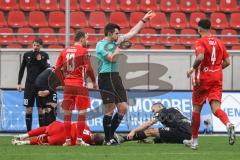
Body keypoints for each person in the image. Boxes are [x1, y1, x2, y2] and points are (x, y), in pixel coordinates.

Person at [95, 10, 155, 145]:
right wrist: (118, 48)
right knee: (110, 108)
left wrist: (143, 20)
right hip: (105, 77)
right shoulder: (100, 45)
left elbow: (133, 32)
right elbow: (111, 59)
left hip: (115, 77)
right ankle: (108, 138)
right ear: (110, 33)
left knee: (123, 108)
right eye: (116, 33)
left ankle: (110, 136)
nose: (119, 35)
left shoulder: (117, 40)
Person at [185, 19, 235, 150]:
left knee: (196, 110)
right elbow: (228, 61)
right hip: (217, 78)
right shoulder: (219, 42)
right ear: (210, 28)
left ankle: (194, 142)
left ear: (199, 29)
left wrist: (192, 68)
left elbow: (200, 57)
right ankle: (228, 124)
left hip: (203, 79)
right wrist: (216, 69)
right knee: (216, 108)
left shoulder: (200, 41)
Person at [55, 30, 97, 146]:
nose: (87, 41)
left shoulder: (64, 51)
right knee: (82, 112)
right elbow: (89, 69)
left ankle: (68, 140)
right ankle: (79, 140)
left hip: (68, 85)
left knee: (67, 113)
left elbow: (57, 69)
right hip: (79, 84)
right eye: (86, 38)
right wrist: (94, 81)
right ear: (82, 39)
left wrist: (63, 82)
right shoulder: (83, 51)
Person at [17, 38, 50, 131]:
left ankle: (41, 133)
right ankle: (29, 133)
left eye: (38, 45)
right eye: (34, 45)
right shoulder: (27, 55)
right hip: (29, 86)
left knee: (41, 109)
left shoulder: (45, 55)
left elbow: (48, 69)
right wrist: (19, 83)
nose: (36, 47)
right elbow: (22, 69)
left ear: (41, 46)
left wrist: (40, 60)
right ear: (32, 45)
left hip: (40, 87)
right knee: (29, 109)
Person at [121, 103, 191, 144]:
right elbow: (169, 131)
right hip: (187, 134)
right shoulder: (171, 111)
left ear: (160, 107)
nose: (153, 113)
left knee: (150, 131)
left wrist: (133, 131)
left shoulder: (163, 111)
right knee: (162, 132)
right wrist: (154, 140)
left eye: (153, 110)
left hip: (182, 132)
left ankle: (123, 138)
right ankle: (153, 141)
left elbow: (149, 123)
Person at [12, 121, 104, 146]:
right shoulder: (87, 141)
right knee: (46, 140)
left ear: (94, 133)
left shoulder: (86, 126)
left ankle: (24, 136)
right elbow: (75, 142)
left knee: (45, 129)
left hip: (59, 127)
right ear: (94, 143)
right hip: (61, 138)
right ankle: (24, 142)